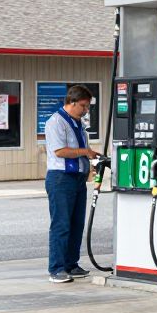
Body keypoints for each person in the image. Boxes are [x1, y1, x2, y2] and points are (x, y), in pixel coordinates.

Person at [43, 84, 99, 283]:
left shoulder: (78, 124)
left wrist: (92, 159)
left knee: (76, 224)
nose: (85, 110)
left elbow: (83, 148)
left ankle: (71, 265)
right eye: (83, 106)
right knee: (61, 224)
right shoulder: (56, 122)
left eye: (87, 107)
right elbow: (60, 151)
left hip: (78, 179)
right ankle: (56, 268)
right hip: (60, 179)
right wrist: (86, 152)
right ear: (71, 102)